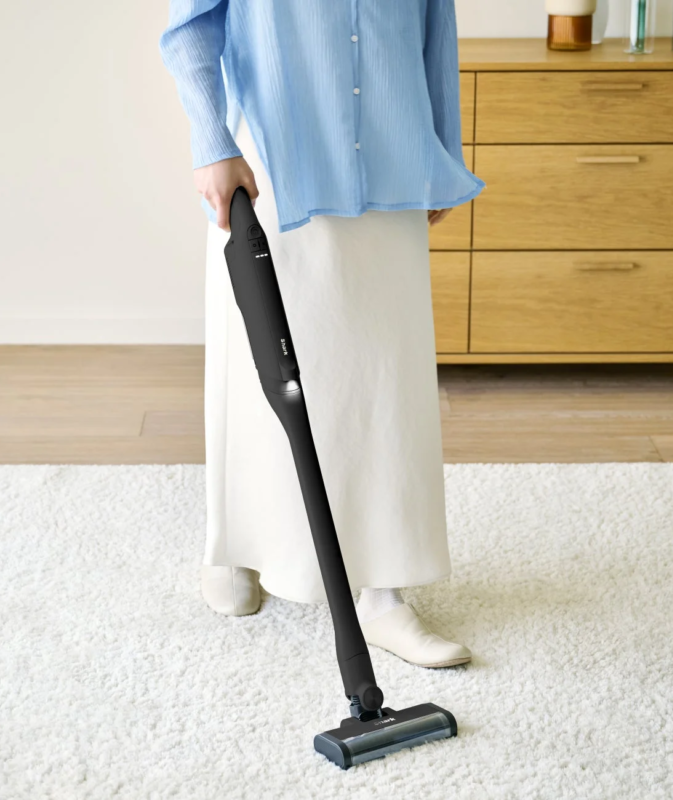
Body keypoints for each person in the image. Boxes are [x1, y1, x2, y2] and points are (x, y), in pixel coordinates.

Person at [160, 0, 484, 668]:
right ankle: (237, 546)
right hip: (274, 162)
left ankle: (384, 594)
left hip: (393, 153)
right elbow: (192, 26)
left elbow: (434, 23)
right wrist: (210, 141)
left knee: (386, 383)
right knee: (261, 373)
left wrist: (443, 148)